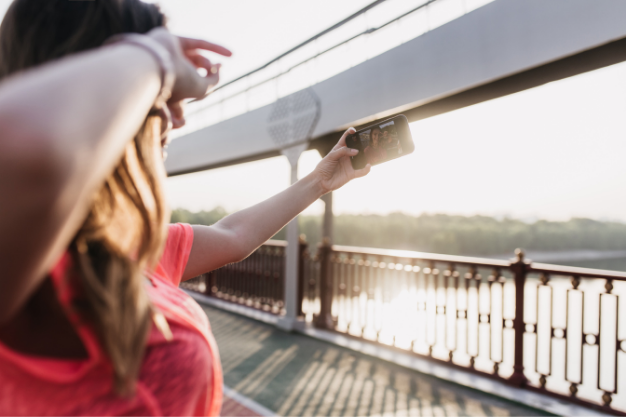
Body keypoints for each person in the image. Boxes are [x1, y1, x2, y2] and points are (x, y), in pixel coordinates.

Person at [0, 0, 371, 415]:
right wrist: (154, 59)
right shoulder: (25, 270)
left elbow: (235, 235)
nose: (178, 118)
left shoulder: (132, 250)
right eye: (166, 93)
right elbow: (20, 143)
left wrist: (318, 182)